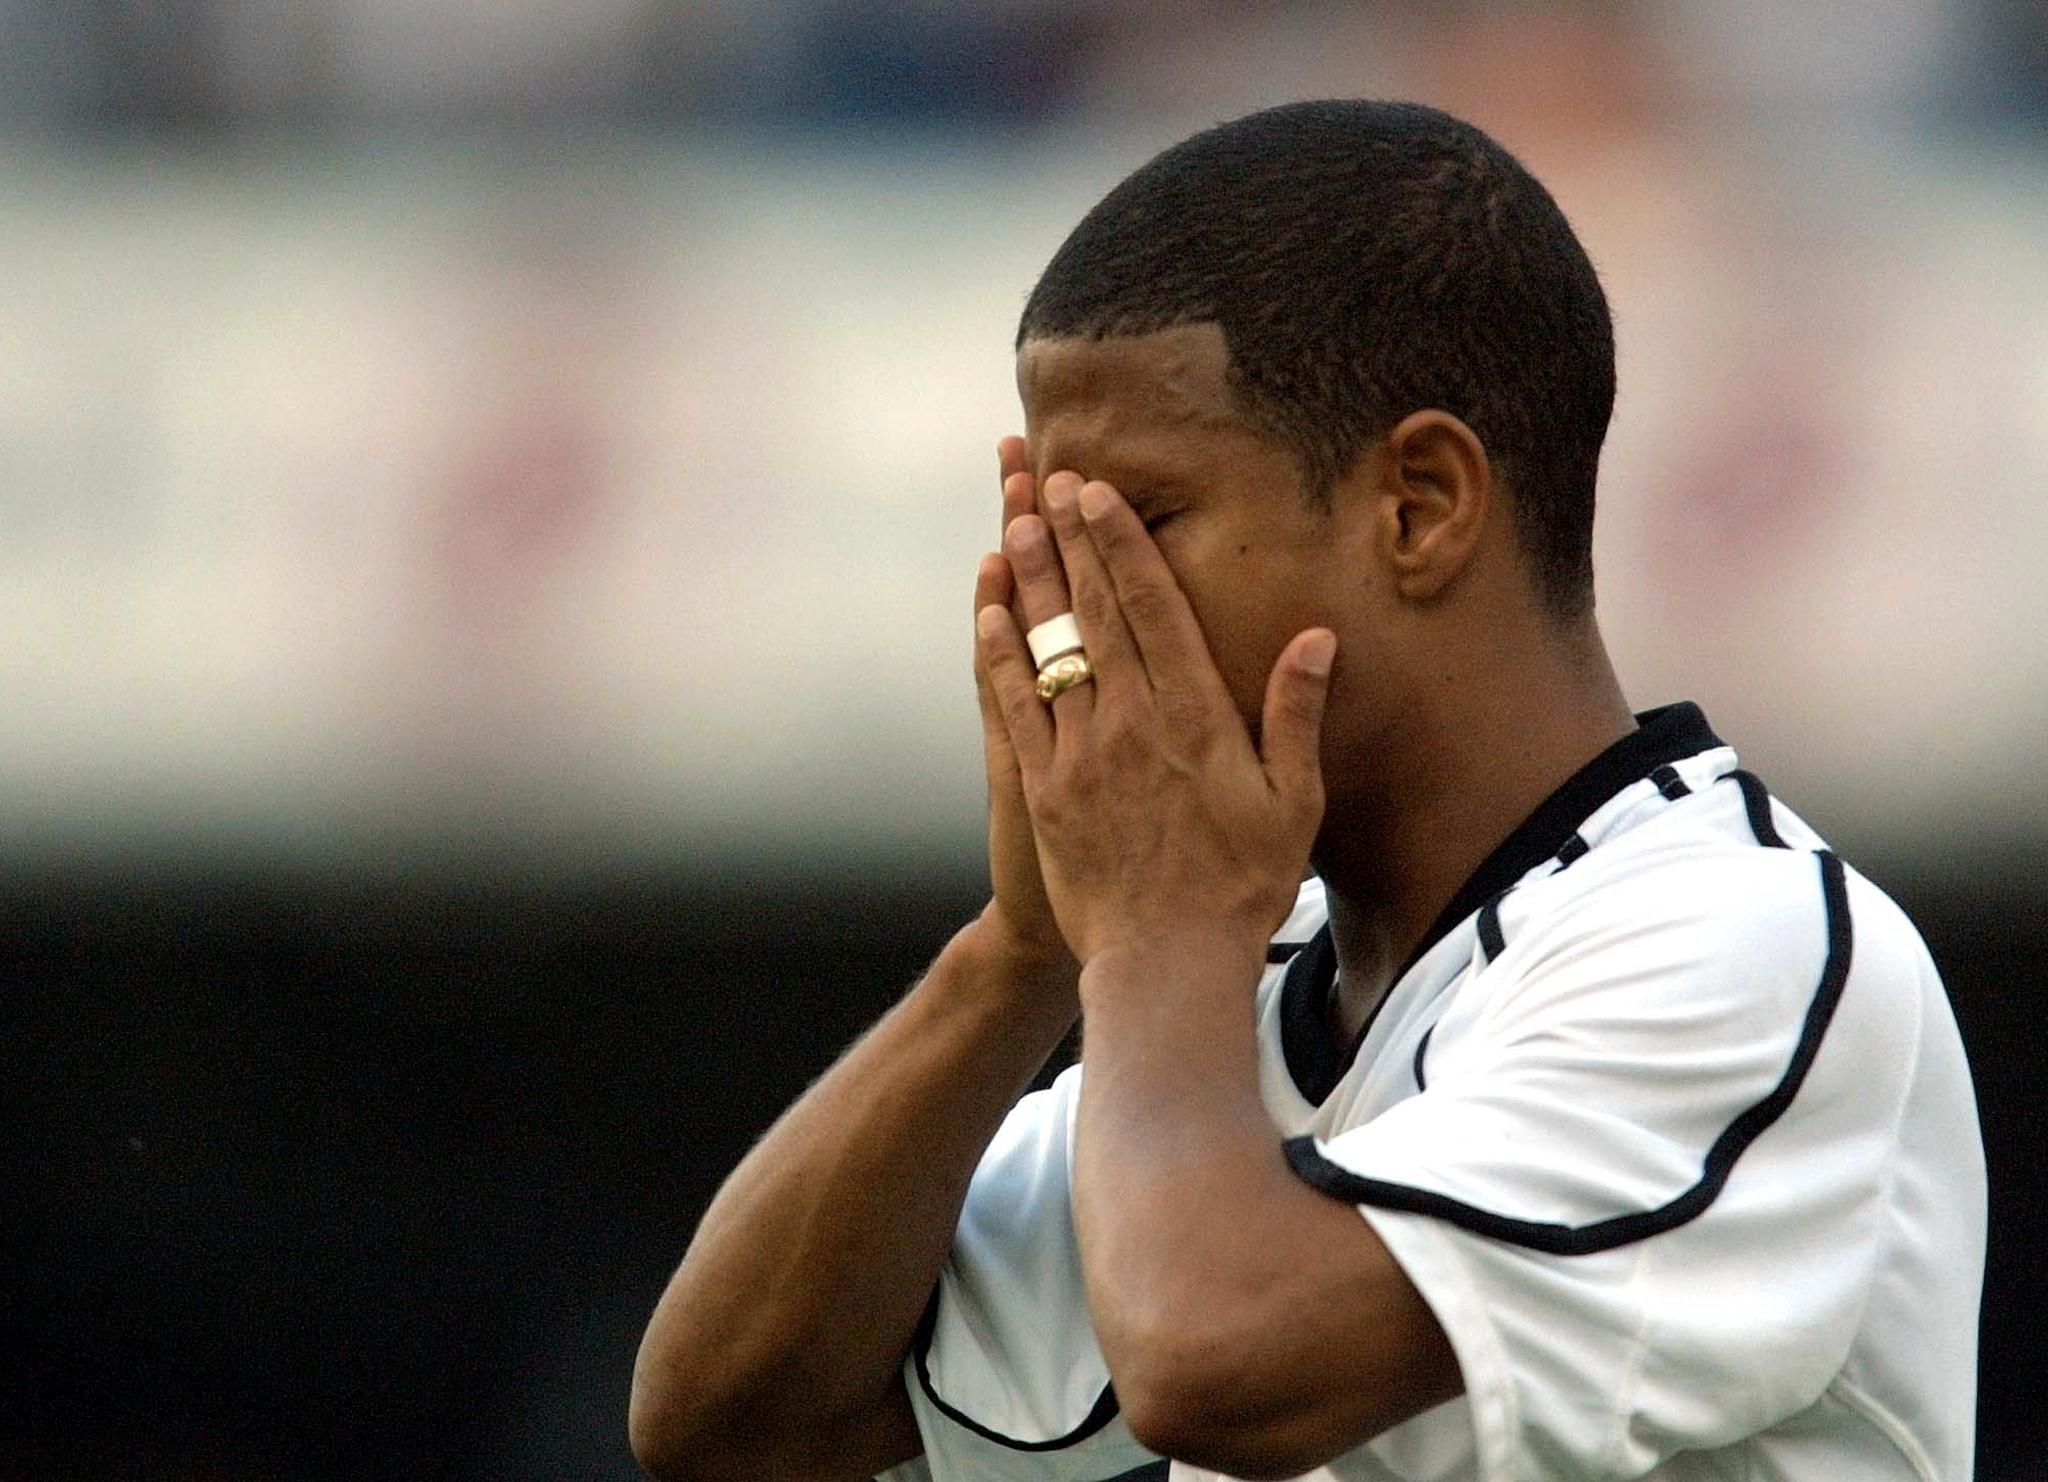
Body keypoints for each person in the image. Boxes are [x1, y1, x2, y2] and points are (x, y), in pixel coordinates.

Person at [628, 100, 1984, 1482]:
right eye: (1045, 548)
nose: (1075, 628)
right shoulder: (1238, 991)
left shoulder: (1735, 941)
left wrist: (1152, 946)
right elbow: (732, 1423)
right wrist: (1019, 956)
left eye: (1134, 528)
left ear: (1419, 505)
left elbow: (1216, 1360)